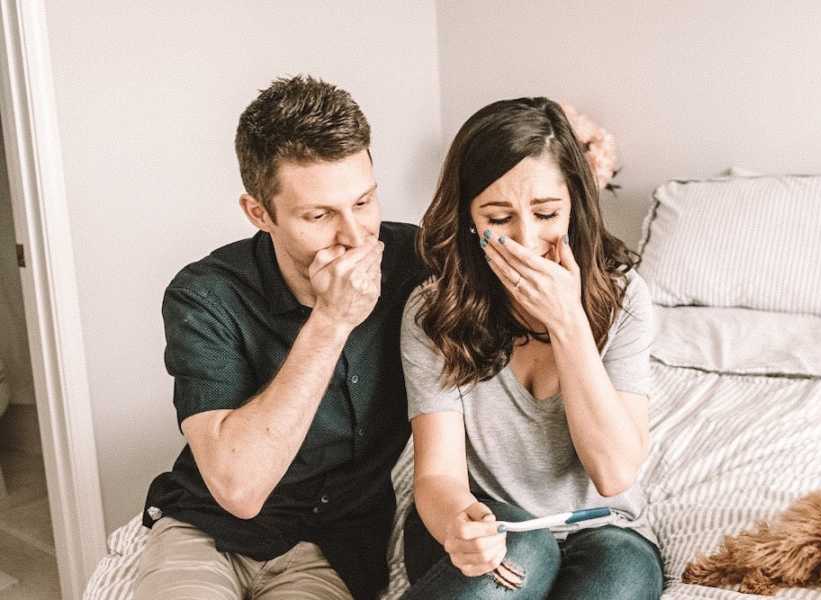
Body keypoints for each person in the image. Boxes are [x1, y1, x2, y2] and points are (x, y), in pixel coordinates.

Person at [134, 75, 425, 600]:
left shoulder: (416, 264)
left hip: (332, 548)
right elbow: (238, 491)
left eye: (363, 203)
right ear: (259, 213)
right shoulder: (205, 295)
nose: (357, 237)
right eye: (319, 215)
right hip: (206, 531)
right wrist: (331, 322)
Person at [399, 97, 665, 599]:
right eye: (499, 218)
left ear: (574, 205)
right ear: (468, 219)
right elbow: (438, 474)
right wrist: (462, 524)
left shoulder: (626, 298)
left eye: (546, 213)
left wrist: (567, 323)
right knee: (529, 549)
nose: (525, 241)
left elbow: (613, 473)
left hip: (605, 527)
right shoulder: (432, 310)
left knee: (618, 576)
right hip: (488, 519)